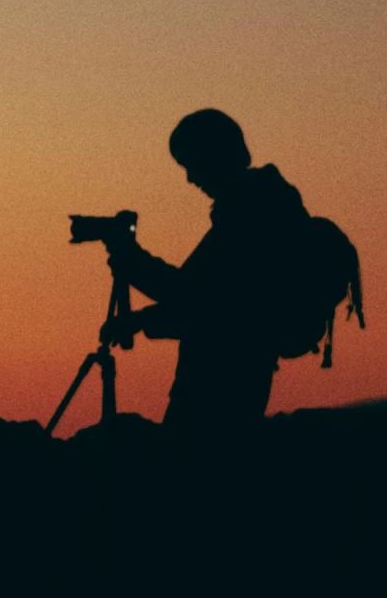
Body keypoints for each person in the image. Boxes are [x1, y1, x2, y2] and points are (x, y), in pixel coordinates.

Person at [113, 109, 305, 435]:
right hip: (241, 370)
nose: (190, 178)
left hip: (221, 377)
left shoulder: (249, 211)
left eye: (191, 164)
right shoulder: (263, 202)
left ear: (213, 155)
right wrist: (143, 317)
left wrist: (131, 261)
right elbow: (211, 300)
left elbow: (194, 295)